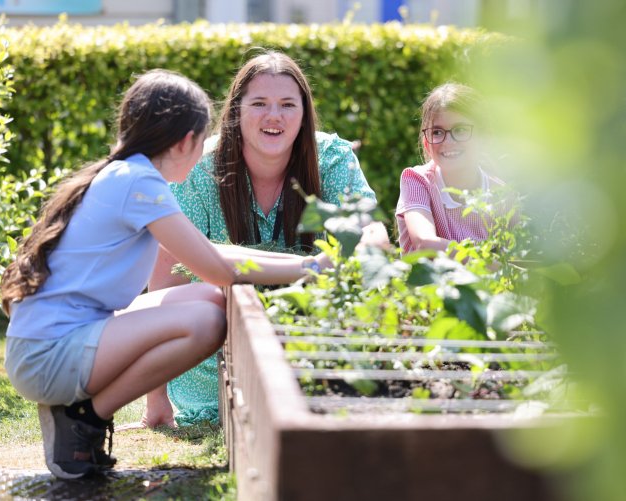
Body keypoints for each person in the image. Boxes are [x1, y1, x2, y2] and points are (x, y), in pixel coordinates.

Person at [0, 69, 330, 479]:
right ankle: (83, 417)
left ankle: (80, 414)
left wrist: (312, 266)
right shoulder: (139, 183)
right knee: (207, 321)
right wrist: (309, 268)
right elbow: (215, 267)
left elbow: (210, 255)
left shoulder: (128, 174)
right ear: (185, 141)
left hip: (55, 343)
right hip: (47, 356)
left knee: (208, 298)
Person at [143, 51, 388, 428]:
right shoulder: (201, 169)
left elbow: (370, 232)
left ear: (304, 113)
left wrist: (370, 241)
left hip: (313, 344)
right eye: (259, 103)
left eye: (288, 104)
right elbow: (167, 278)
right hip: (216, 361)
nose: (274, 116)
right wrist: (155, 402)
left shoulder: (332, 161)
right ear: (237, 110)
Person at [396, 83, 506, 254]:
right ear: (426, 143)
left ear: (485, 137)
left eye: (460, 130)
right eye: (437, 132)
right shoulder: (417, 181)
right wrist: (490, 264)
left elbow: (512, 258)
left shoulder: (500, 194)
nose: (448, 141)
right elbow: (424, 243)